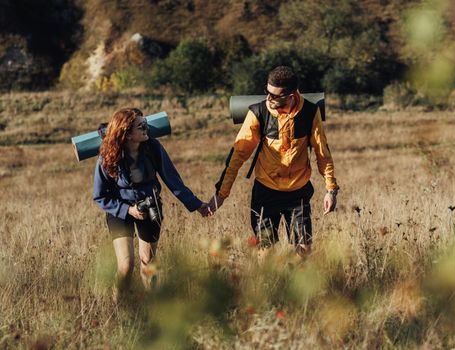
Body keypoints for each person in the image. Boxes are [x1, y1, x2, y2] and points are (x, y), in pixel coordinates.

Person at [209, 66, 339, 257]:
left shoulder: (310, 112)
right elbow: (237, 155)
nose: (269, 99)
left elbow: (322, 152)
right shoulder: (258, 112)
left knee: (303, 253)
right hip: (265, 192)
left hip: (298, 192)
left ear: (292, 95)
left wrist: (331, 189)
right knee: (266, 254)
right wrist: (221, 194)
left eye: (275, 96)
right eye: (267, 93)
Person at [93, 108, 209, 298]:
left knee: (148, 261)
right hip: (120, 211)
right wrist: (128, 210)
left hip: (150, 206)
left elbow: (173, 180)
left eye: (145, 123)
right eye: (142, 126)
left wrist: (196, 205)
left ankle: (153, 306)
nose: (148, 128)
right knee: (126, 265)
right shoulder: (108, 156)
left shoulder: (153, 147)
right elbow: (99, 195)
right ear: (127, 133)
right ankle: (119, 305)